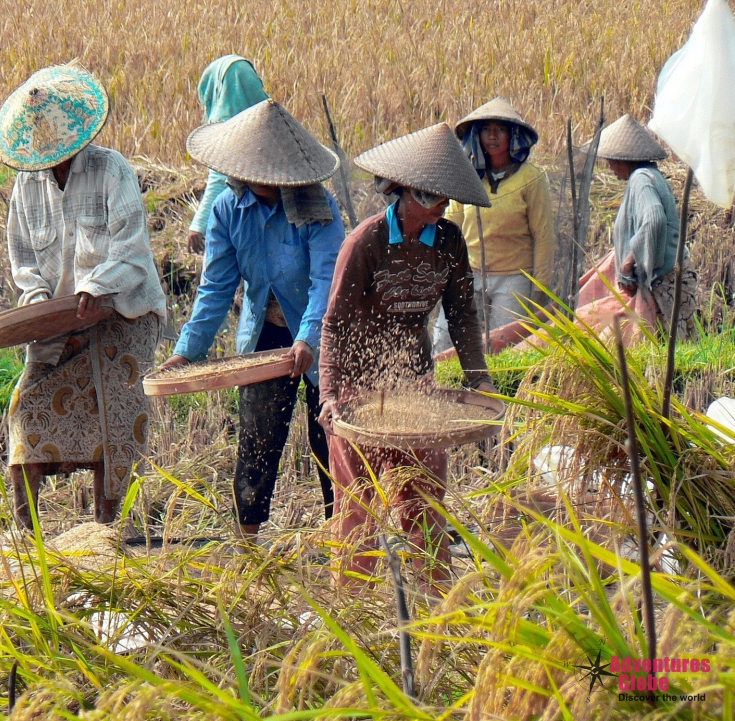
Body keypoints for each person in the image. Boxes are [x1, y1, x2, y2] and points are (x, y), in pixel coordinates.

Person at [319, 123, 497, 592]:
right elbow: (334, 325)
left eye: (446, 200)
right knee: (358, 510)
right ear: (407, 194)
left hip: (416, 384)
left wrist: (479, 378)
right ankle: (353, 611)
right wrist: (331, 395)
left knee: (425, 503)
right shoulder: (367, 242)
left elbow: (461, 313)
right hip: (359, 391)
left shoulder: (450, 242)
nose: (443, 207)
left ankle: (436, 608)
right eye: (435, 198)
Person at [159, 99, 345, 535]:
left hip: (322, 337)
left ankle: (341, 542)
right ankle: (248, 542)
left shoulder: (318, 208)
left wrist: (307, 338)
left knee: (329, 440)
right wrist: (188, 351)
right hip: (264, 332)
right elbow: (217, 288)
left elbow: (326, 280)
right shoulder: (227, 209)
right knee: (258, 441)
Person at [0, 62, 166, 531]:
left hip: (122, 313)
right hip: (57, 319)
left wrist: (96, 288)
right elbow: (24, 257)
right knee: (25, 409)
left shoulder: (112, 170)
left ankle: (105, 533)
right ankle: (27, 539)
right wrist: (34, 301)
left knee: (113, 419)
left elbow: (131, 249)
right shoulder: (27, 183)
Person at [433, 97, 555, 354]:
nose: (493, 136)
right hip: (469, 272)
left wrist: (539, 292)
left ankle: (498, 393)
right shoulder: (469, 175)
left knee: (503, 347)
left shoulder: (531, 179)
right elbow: (452, 224)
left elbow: (543, 236)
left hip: (513, 278)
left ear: (513, 136)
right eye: (487, 129)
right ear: (478, 136)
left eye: (500, 129)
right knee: (445, 340)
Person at [592, 114, 697, 339]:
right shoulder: (650, 176)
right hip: (672, 280)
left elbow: (654, 219)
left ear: (622, 159)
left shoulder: (641, 179)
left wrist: (629, 263)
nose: (610, 167)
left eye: (610, 160)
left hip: (664, 285)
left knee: (660, 350)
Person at [185, 55, 268, 254]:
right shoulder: (273, 116)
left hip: (247, 216)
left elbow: (220, 176)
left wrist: (199, 224)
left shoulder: (226, 125)